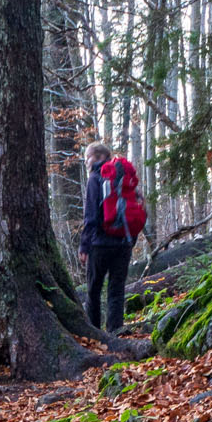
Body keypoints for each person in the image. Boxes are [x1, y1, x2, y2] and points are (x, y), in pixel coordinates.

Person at [79, 142, 145, 334]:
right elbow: (138, 207)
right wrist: (130, 239)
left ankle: (94, 335)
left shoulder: (95, 178)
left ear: (99, 157)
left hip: (100, 244)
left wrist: (84, 246)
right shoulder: (124, 176)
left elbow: (90, 215)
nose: (86, 162)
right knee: (116, 290)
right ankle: (115, 331)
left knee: (93, 290)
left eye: (88, 158)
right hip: (123, 243)